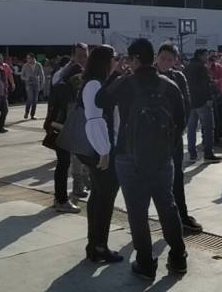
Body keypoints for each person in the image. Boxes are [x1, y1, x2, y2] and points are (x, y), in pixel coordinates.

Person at [97, 38, 188, 280]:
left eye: (130, 58)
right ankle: (178, 257)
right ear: (153, 57)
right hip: (162, 158)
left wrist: (114, 74)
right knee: (167, 205)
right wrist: (166, 147)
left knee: (137, 212)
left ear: (136, 59)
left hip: (129, 156)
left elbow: (100, 101)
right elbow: (181, 120)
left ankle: (146, 263)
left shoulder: (124, 83)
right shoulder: (170, 85)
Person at [78, 45, 123, 263]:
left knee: (98, 196)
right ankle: (99, 246)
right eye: (114, 57)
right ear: (105, 61)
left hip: (99, 148)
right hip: (100, 149)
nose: (117, 61)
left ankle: (94, 245)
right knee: (105, 198)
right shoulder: (94, 84)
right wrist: (104, 151)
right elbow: (94, 120)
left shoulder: (98, 83)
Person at [156, 43, 203, 233]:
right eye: (163, 58)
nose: (165, 62)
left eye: (170, 59)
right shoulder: (147, 76)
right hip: (150, 138)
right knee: (153, 182)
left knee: (176, 177)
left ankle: (181, 216)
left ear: (175, 61)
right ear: (156, 57)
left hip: (173, 137)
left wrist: (177, 131)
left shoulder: (178, 77)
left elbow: (186, 105)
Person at [44, 43, 89, 214]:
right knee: (64, 163)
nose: (82, 59)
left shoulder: (64, 74)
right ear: (73, 56)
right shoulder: (71, 74)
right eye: (79, 55)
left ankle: (60, 198)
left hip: (60, 124)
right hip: (63, 125)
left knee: (63, 163)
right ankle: (62, 200)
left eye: (85, 55)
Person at [184, 49, 221, 163]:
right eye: (205, 55)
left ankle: (192, 153)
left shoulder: (187, 67)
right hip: (202, 101)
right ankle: (208, 153)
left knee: (191, 129)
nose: (207, 57)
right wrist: (209, 98)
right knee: (208, 128)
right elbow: (206, 85)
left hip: (191, 102)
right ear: (200, 56)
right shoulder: (201, 67)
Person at [207, 52, 222, 146]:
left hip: (219, 93)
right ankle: (212, 138)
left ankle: (219, 136)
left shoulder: (218, 67)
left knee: (221, 116)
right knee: (214, 118)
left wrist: (216, 81)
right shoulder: (204, 68)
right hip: (210, 95)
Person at [21, 53, 45, 120]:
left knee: (35, 100)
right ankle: (26, 112)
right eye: (27, 58)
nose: (27, 59)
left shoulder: (38, 65)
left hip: (36, 84)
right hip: (28, 84)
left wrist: (42, 84)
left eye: (29, 58)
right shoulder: (25, 65)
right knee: (30, 98)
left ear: (32, 58)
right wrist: (27, 78)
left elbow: (42, 75)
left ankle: (32, 115)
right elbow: (22, 76)